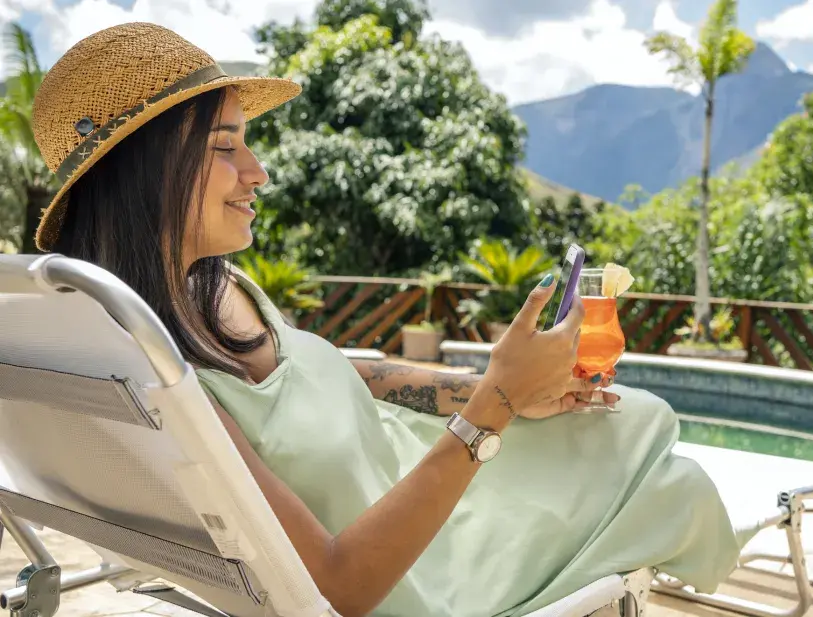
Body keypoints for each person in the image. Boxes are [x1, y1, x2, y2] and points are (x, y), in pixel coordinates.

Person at [31, 23, 742, 617]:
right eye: (225, 146)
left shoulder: (199, 293)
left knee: (627, 421)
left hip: (419, 472)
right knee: (663, 472)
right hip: (424, 559)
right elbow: (340, 584)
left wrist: (490, 389)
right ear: (144, 171)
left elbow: (331, 370)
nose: (257, 171)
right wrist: (491, 408)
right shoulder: (153, 368)